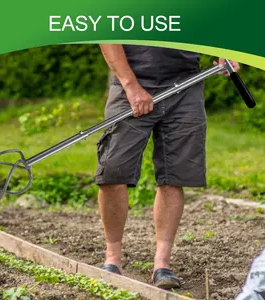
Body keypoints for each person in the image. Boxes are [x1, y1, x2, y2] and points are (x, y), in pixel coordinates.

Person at [94, 44, 239, 289]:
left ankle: (162, 265)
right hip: (131, 81)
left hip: (185, 85)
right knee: (113, 171)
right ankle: (113, 259)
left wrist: (229, 50)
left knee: (175, 175)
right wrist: (131, 86)